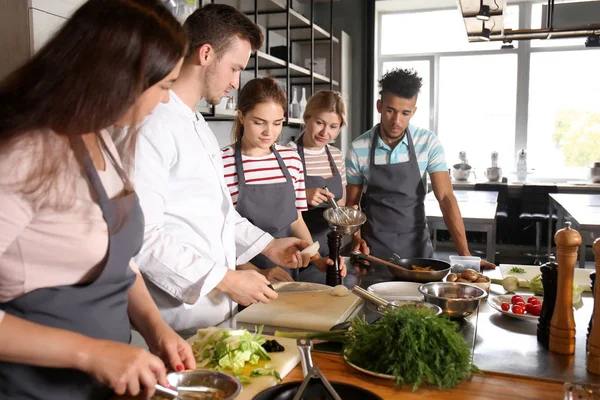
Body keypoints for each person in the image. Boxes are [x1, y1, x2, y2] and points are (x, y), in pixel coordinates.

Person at [0, 1, 194, 399]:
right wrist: (90, 353)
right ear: (118, 76)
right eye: (163, 87)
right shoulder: (24, 155)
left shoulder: (102, 135)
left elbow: (122, 262)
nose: (162, 102)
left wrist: (156, 328)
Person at [123, 4, 312, 337]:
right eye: (235, 68)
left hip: (213, 313)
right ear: (206, 54)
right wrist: (227, 279)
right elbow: (143, 237)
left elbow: (221, 214)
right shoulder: (154, 124)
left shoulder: (197, 123)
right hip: (173, 321)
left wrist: (269, 246)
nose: (237, 83)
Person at [346, 68, 495, 270]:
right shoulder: (359, 147)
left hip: (417, 250)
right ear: (379, 106)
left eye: (405, 113)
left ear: (413, 111)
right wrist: (356, 239)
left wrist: (465, 254)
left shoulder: (428, 143)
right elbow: (352, 206)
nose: (396, 121)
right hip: (373, 252)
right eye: (390, 110)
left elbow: (446, 198)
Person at [222, 79, 346, 283]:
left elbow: (296, 220)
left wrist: (318, 260)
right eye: (259, 122)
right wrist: (258, 273)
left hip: (287, 274)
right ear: (242, 116)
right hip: (242, 278)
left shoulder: (291, 159)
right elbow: (221, 234)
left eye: (277, 123)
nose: (268, 132)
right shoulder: (222, 162)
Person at [286, 90, 365, 281]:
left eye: (333, 126)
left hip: (330, 248)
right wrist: (302, 195)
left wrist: (349, 216)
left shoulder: (336, 156)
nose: (325, 132)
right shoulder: (287, 153)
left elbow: (341, 204)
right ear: (307, 118)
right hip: (296, 250)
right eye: (319, 123)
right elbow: (277, 205)